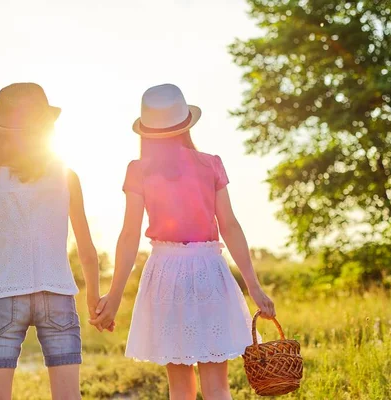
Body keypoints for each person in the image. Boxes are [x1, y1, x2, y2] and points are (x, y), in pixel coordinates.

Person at [90, 84, 276, 400]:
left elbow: (129, 235)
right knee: (217, 386)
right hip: (209, 269)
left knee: (179, 388)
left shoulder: (138, 170)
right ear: (186, 123)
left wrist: (116, 294)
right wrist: (253, 286)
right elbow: (229, 226)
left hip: (166, 273)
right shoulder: (210, 164)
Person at [0, 83, 102, 400]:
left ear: (0, 131)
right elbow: (86, 249)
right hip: (57, 291)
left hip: (3, 296)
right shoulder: (65, 175)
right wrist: (94, 300)